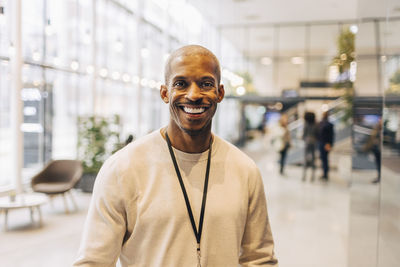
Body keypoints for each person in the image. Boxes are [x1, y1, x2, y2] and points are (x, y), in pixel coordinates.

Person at [73, 45, 278, 266]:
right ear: (164, 93)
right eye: (181, 84)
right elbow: (94, 262)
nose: (193, 95)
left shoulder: (244, 170)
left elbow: (260, 259)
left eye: (206, 84)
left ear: (220, 93)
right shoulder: (123, 168)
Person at [302, 111, 319, 182]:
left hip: (307, 142)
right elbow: (317, 134)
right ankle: (312, 176)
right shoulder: (316, 124)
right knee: (313, 160)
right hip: (314, 143)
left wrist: (305, 138)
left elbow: (304, 134)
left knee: (305, 159)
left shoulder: (306, 124)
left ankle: (304, 176)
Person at [318, 111, 334, 180]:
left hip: (325, 143)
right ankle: (324, 173)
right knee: (323, 158)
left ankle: (325, 174)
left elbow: (331, 136)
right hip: (321, 143)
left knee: (325, 159)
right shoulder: (320, 123)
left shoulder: (328, 125)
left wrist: (330, 144)